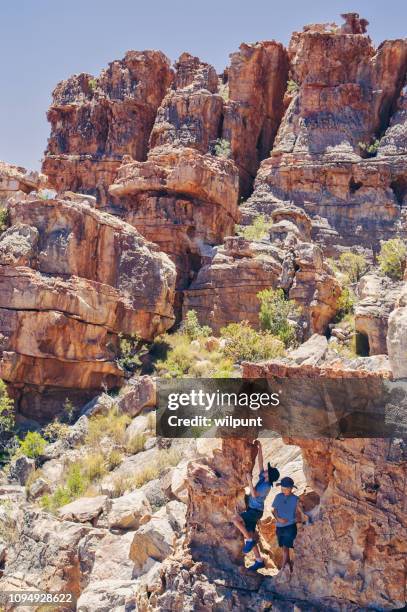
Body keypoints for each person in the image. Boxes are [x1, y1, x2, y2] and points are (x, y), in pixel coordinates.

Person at [232, 440, 280, 571]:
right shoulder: (263, 478)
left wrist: (249, 480)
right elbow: (260, 463)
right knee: (251, 533)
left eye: (267, 471)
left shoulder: (266, 485)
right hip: (254, 510)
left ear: (269, 476)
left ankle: (248, 539)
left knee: (235, 520)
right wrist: (260, 448)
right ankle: (259, 560)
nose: (265, 470)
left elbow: (253, 494)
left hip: (255, 511)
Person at [272, 476, 300, 573]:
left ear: (291, 488)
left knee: (287, 547)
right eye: (282, 488)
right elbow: (274, 510)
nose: (283, 490)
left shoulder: (296, 499)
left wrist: (292, 520)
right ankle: (288, 566)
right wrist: (278, 518)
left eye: (285, 489)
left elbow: (299, 514)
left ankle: (283, 568)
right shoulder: (278, 496)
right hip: (279, 527)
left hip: (290, 527)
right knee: (284, 547)